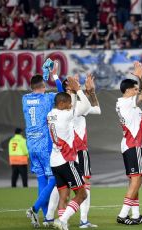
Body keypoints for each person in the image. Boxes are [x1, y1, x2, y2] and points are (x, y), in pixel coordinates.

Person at [23, 61, 63, 228]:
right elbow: (62, 93)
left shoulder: (24, 98)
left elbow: (38, 88)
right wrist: (54, 75)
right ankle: (34, 208)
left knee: (42, 180)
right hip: (45, 145)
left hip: (31, 145)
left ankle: (47, 218)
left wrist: (44, 77)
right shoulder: (47, 98)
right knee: (55, 178)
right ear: (43, 86)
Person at [49, 77, 92, 230]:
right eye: (68, 104)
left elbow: (66, 101)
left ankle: (62, 223)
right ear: (62, 104)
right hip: (67, 160)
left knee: (63, 196)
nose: (70, 106)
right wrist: (78, 90)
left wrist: (70, 92)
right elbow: (86, 105)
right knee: (82, 194)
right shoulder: (65, 115)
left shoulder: (51, 114)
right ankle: (62, 220)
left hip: (54, 161)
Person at [116, 62, 142, 225]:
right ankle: (123, 214)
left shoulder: (125, 103)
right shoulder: (126, 102)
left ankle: (136, 214)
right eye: (135, 88)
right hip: (134, 144)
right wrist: (140, 76)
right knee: (137, 180)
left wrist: (140, 77)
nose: (137, 90)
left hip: (130, 143)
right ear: (129, 90)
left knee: (134, 180)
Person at [62, 74, 101, 228]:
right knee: (84, 185)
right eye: (74, 82)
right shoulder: (74, 107)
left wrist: (88, 92)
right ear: (69, 86)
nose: (77, 83)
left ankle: (50, 218)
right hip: (78, 150)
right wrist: (88, 92)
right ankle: (82, 220)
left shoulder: (62, 105)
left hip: (66, 151)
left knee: (62, 185)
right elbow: (94, 108)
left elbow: (96, 110)